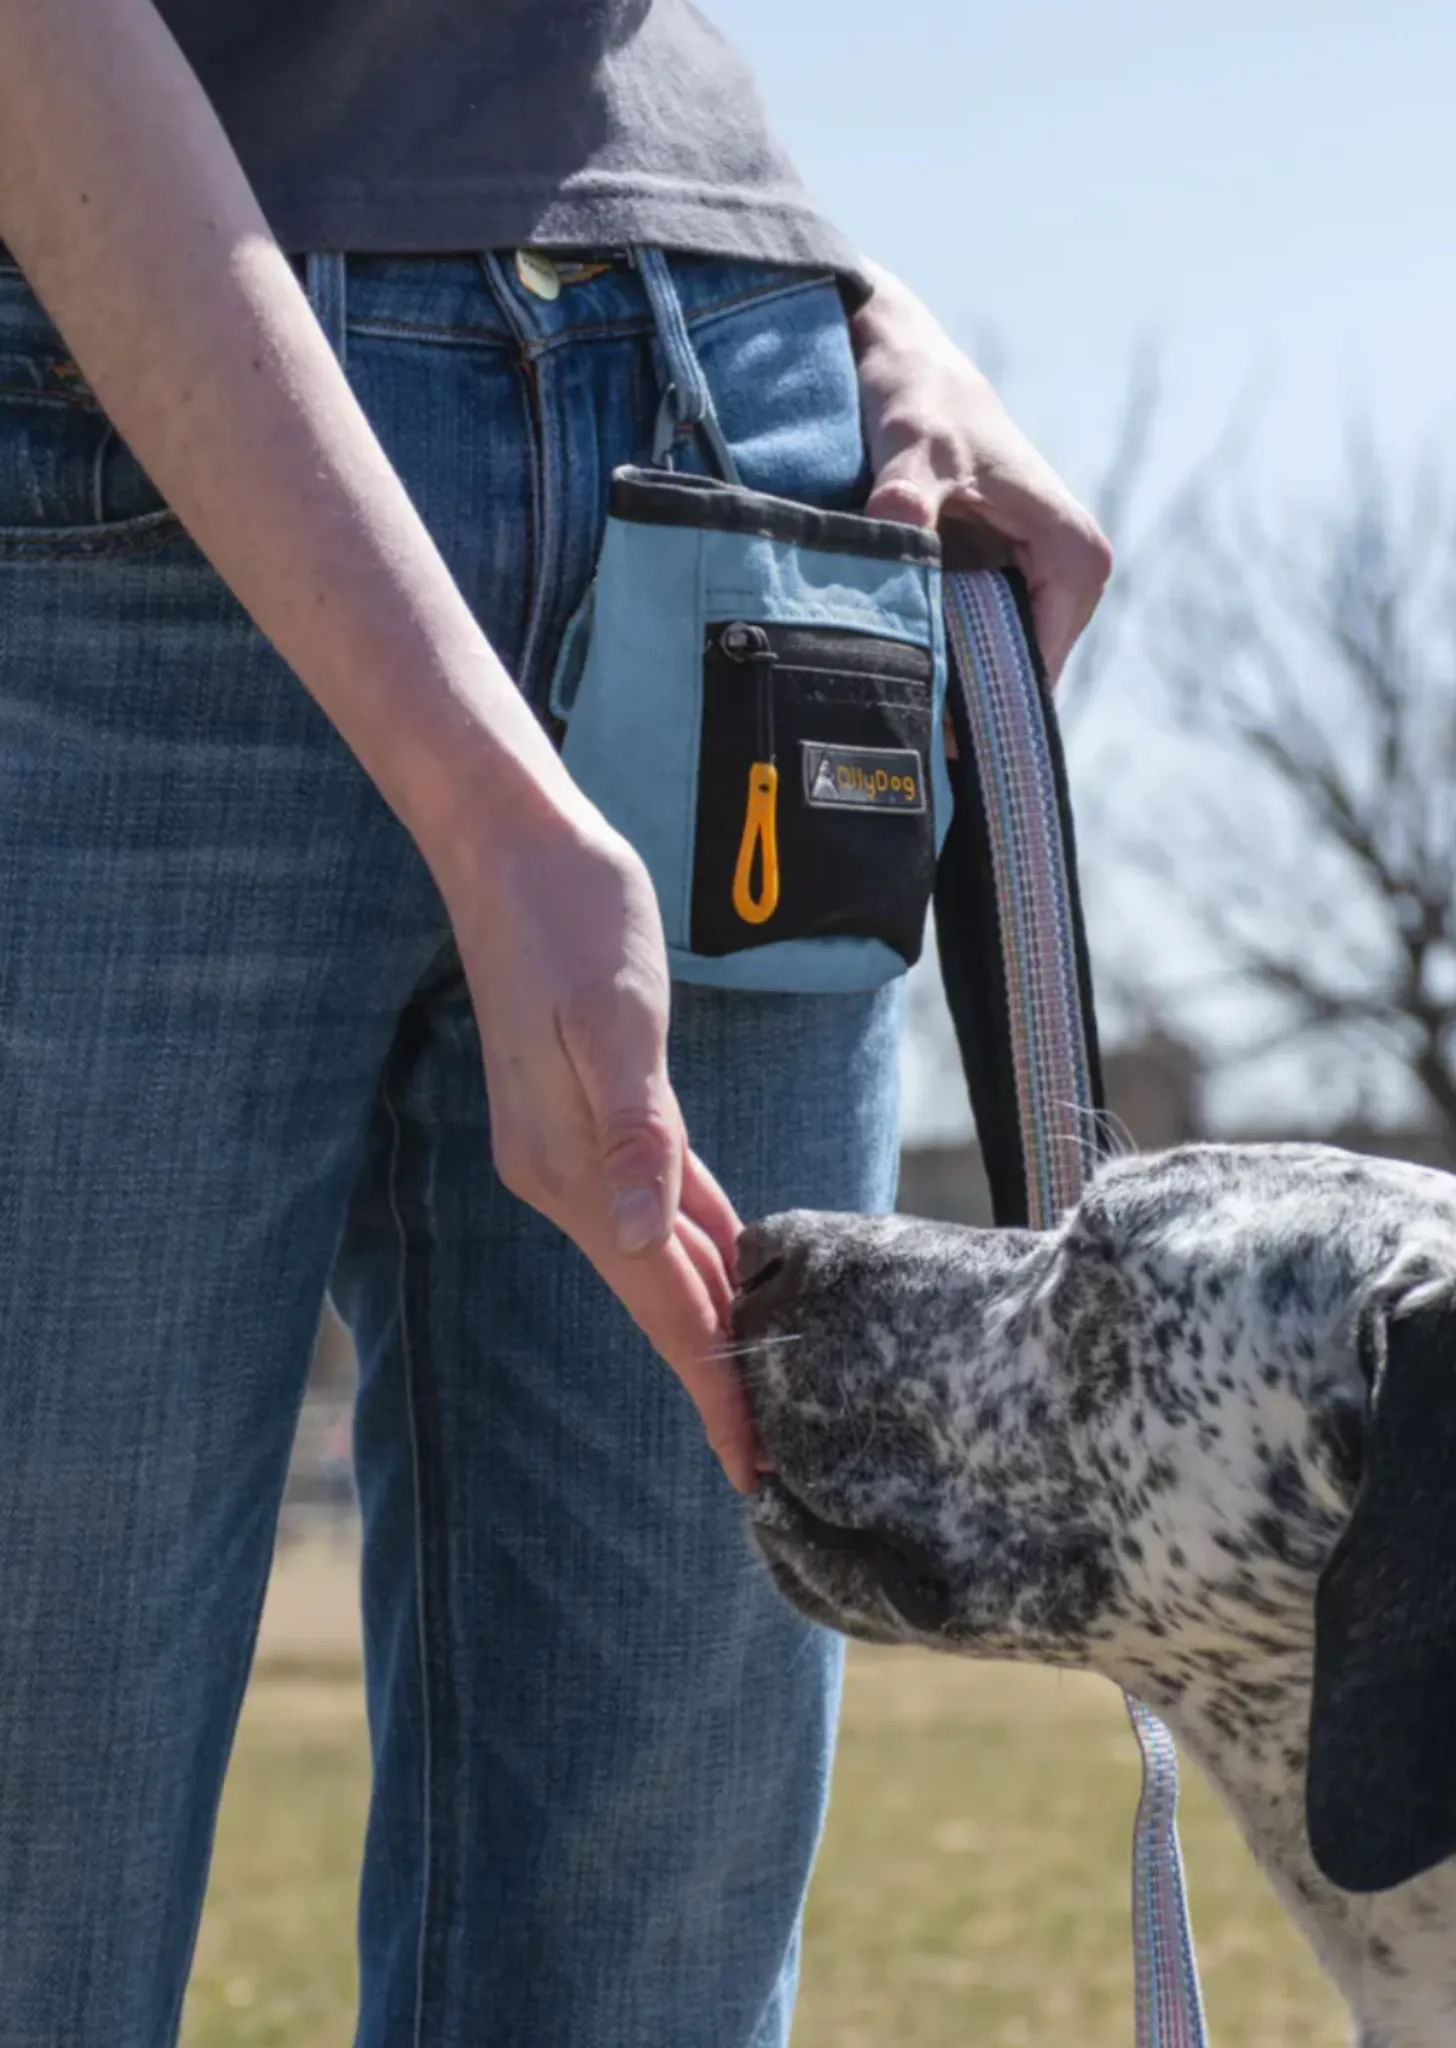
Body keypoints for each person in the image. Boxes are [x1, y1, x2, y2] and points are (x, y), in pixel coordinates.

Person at [0, 4, 1110, 2043]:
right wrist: (480, 788)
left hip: (736, 441)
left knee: (647, 1983)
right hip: (96, 432)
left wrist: (828, 272)